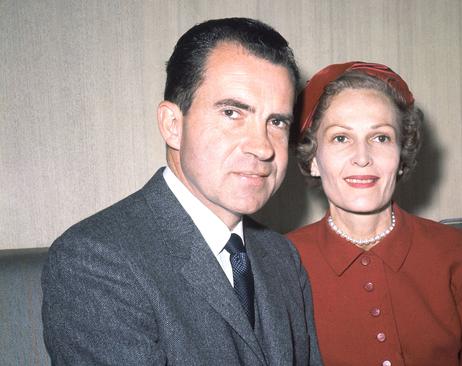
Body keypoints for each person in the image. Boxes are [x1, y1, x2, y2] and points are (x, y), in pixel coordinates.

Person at [41, 18, 322, 365]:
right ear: (173, 125)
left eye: (277, 122)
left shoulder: (282, 257)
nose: (263, 147)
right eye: (232, 113)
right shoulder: (94, 259)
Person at [287, 61, 462, 366]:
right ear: (313, 158)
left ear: (402, 157)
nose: (362, 158)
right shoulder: (281, 262)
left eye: (380, 138)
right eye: (341, 138)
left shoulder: (459, 253)